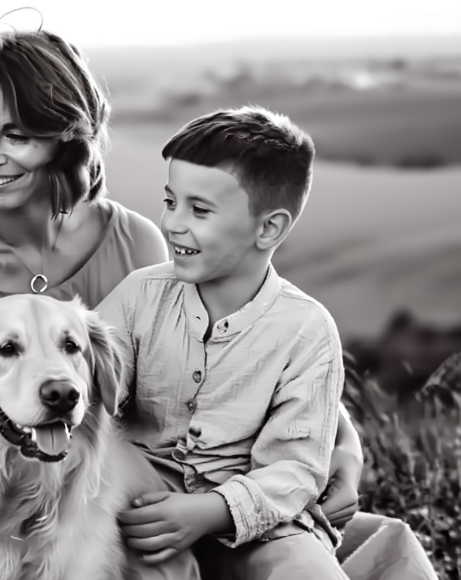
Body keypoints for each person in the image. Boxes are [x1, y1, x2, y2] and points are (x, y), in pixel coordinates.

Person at [0, 28, 364, 543]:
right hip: (40, 497)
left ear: (67, 136)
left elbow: (231, 354)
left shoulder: (136, 241)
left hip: (166, 491)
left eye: (17, 136)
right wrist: (28, 449)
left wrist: (346, 443)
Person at [102, 106, 350, 579]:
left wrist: (210, 511)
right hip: (141, 499)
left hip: (262, 521)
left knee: (307, 572)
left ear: (269, 228)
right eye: (170, 201)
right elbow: (93, 386)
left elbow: (295, 469)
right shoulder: (140, 294)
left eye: (199, 209)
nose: (173, 224)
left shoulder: (307, 330)